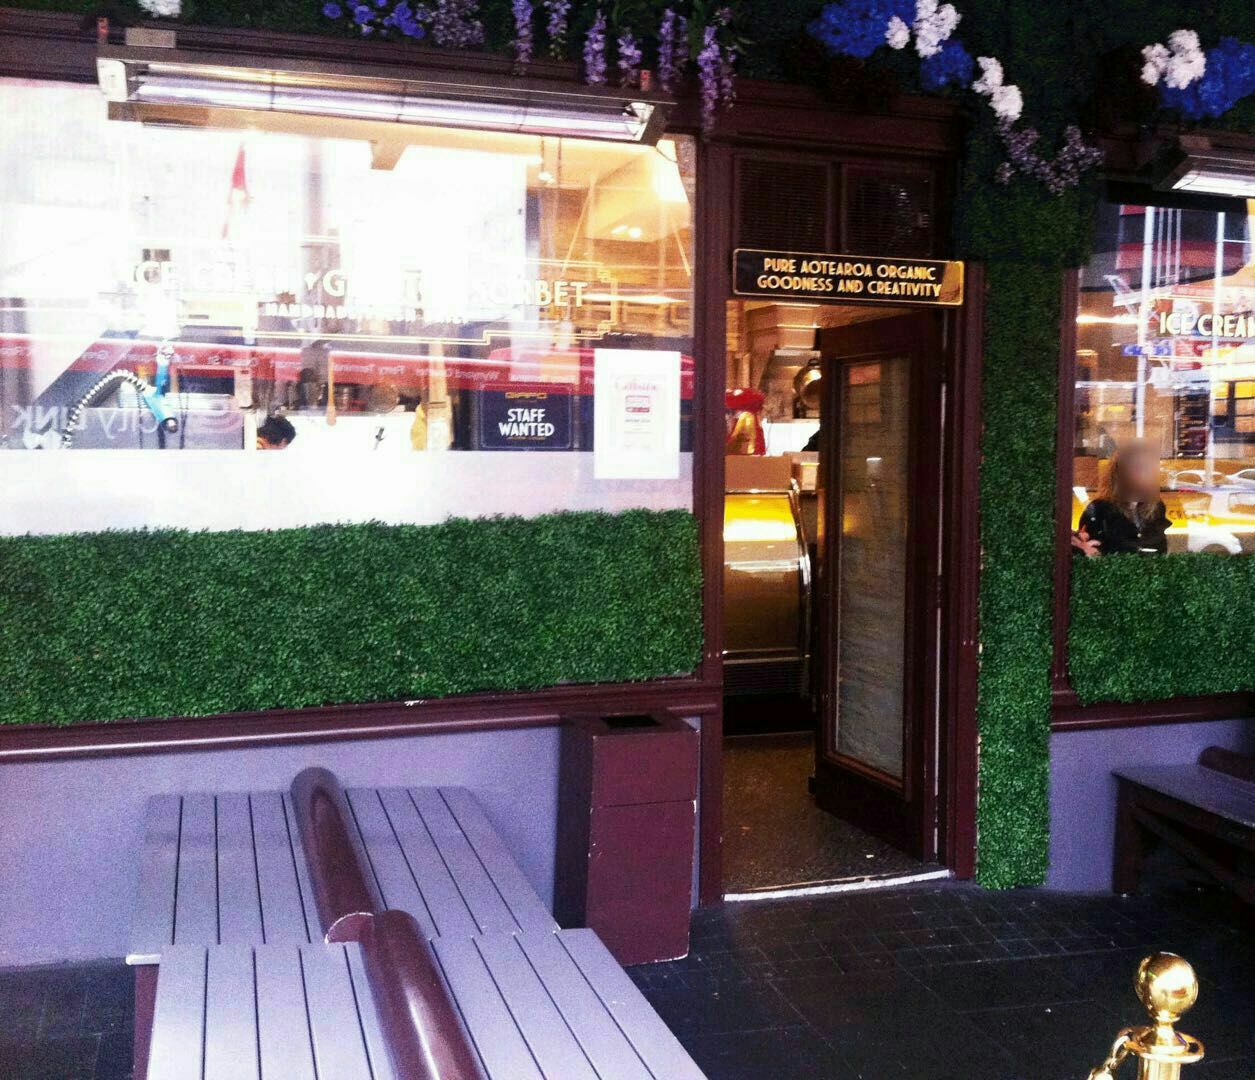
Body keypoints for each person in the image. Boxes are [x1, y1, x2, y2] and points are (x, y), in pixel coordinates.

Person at [1073, 440, 1170, 557]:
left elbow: (1160, 549)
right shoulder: (1100, 509)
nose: (1146, 474)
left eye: (1149, 468)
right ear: (1120, 473)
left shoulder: (1156, 507)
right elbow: (1090, 550)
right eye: (1139, 467)